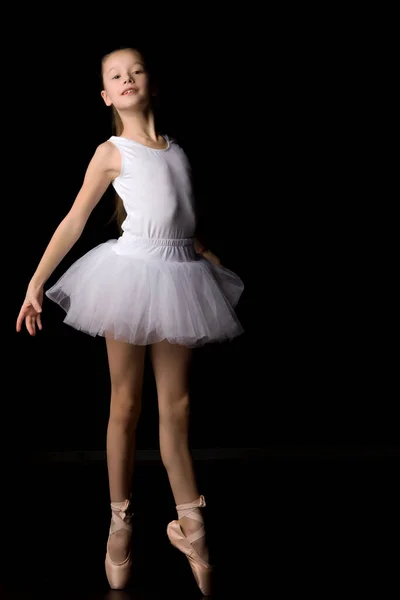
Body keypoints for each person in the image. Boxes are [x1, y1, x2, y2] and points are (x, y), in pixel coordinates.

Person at [16, 46, 244, 595]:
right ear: (105, 95)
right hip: (130, 275)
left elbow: (180, 223)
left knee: (179, 408)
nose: (126, 78)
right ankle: (120, 524)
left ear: (152, 83)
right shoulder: (111, 151)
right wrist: (35, 283)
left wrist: (209, 262)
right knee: (126, 403)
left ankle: (193, 529)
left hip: (180, 276)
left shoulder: (176, 150)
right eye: (115, 75)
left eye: (135, 70)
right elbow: (74, 220)